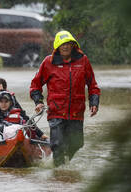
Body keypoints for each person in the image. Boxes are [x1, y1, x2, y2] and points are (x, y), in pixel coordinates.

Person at [29, 30, 101, 166]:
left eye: (68, 44)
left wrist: (94, 102)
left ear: (74, 45)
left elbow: (93, 85)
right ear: (57, 46)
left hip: (76, 112)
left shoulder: (83, 60)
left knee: (77, 144)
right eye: (62, 44)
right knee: (58, 144)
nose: (66, 47)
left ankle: (65, 168)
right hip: (56, 112)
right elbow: (35, 85)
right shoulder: (48, 62)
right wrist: (38, 102)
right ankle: (59, 175)